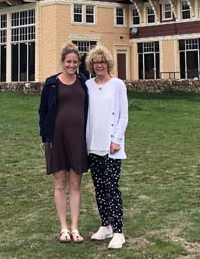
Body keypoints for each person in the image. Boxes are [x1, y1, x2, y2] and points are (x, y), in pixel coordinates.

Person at [38, 43, 90, 243]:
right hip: (56, 139)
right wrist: (45, 137)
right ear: (62, 62)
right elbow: (43, 111)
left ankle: (75, 228)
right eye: (68, 61)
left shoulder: (84, 82)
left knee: (76, 184)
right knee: (60, 184)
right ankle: (64, 228)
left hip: (78, 139)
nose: (71, 65)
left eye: (75, 62)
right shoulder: (51, 83)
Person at [84, 44, 129, 249]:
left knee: (112, 188)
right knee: (99, 188)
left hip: (111, 146)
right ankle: (106, 225)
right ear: (91, 65)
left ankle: (118, 231)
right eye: (95, 62)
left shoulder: (118, 84)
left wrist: (117, 139)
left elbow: (123, 115)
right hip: (93, 145)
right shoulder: (88, 85)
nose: (99, 65)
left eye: (102, 62)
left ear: (108, 63)